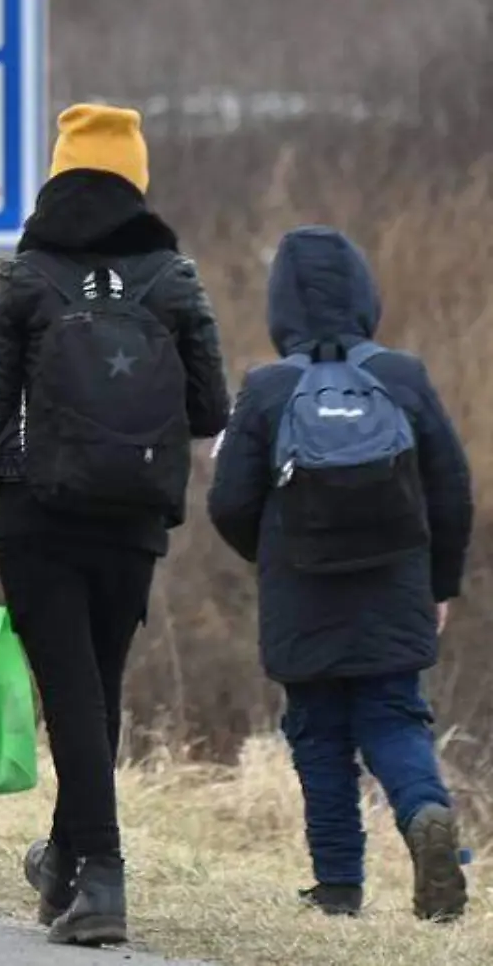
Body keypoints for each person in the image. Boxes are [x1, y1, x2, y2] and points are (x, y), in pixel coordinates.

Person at [0, 104, 230, 946]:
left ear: (59, 173)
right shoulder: (173, 277)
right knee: (96, 691)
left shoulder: (25, 278)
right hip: (132, 517)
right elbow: (212, 407)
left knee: (71, 694)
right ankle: (64, 863)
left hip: (36, 516)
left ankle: (101, 875)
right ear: (136, 177)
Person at [206, 227, 472, 923]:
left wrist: (272, 554)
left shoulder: (266, 388)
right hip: (396, 584)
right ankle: (424, 812)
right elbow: (453, 489)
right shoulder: (403, 376)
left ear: (279, 308)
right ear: (364, 294)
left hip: (303, 590)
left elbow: (229, 500)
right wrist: (441, 582)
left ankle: (337, 886)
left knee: (318, 731)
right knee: (393, 714)